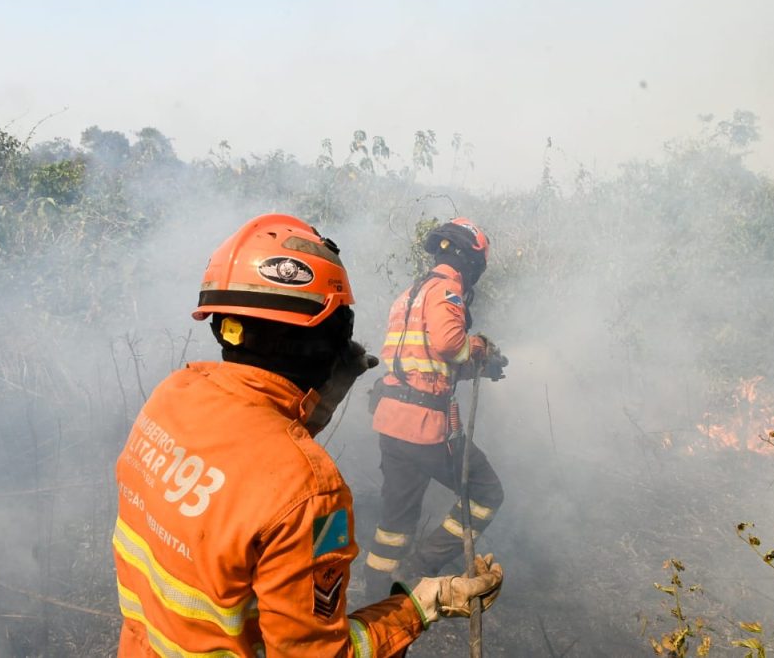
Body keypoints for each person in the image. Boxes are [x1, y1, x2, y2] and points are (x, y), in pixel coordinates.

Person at [112, 213, 503, 657]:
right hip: (428, 425)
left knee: (395, 522)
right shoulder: (308, 492)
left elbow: (252, 451)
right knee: (476, 494)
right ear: (329, 340)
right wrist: (423, 604)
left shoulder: (171, 397)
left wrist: (316, 402)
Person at [364, 217, 508, 597]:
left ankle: (377, 597)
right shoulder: (447, 290)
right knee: (486, 492)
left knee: (394, 524)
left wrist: (477, 369)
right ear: (470, 261)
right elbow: (448, 345)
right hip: (425, 429)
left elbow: (420, 367)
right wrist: (479, 348)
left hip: (392, 424)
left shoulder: (409, 293)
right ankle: (422, 565)